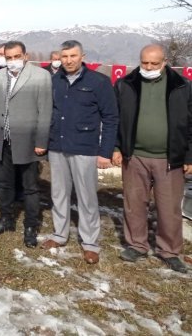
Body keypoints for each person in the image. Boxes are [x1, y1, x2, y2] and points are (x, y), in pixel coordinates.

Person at [113, 44, 192, 273]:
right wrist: (117, 147)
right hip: (134, 156)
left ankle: (169, 250)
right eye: (144, 63)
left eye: (154, 64)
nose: (148, 67)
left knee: (169, 207)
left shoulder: (182, 87)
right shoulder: (125, 85)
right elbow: (116, 120)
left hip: (170, 158)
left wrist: (189, 155)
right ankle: (137, 244)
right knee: (134, 203)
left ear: (164, 62)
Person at [41, 40, 118, 265]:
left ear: (82, 56)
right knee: (59, 193)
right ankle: (59, 234)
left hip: (85, 147)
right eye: (64, 57)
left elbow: (111, 118)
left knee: (87, 197)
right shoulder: (54, 81)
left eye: (73, 56)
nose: (68, 61)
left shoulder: (99, 82)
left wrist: (105, 152)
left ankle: (90, 242)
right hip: (58, 146)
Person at [0, 41, 52, 248]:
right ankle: (6, 219)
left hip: (28, 140)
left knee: (30, 187)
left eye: (16, 56)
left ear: (25, 55)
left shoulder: (41, 76)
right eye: (9, 57)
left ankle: (30, 226)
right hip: (3, 139)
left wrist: (41, 141)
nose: (12, 61)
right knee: (4, 183)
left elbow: (45, 111)